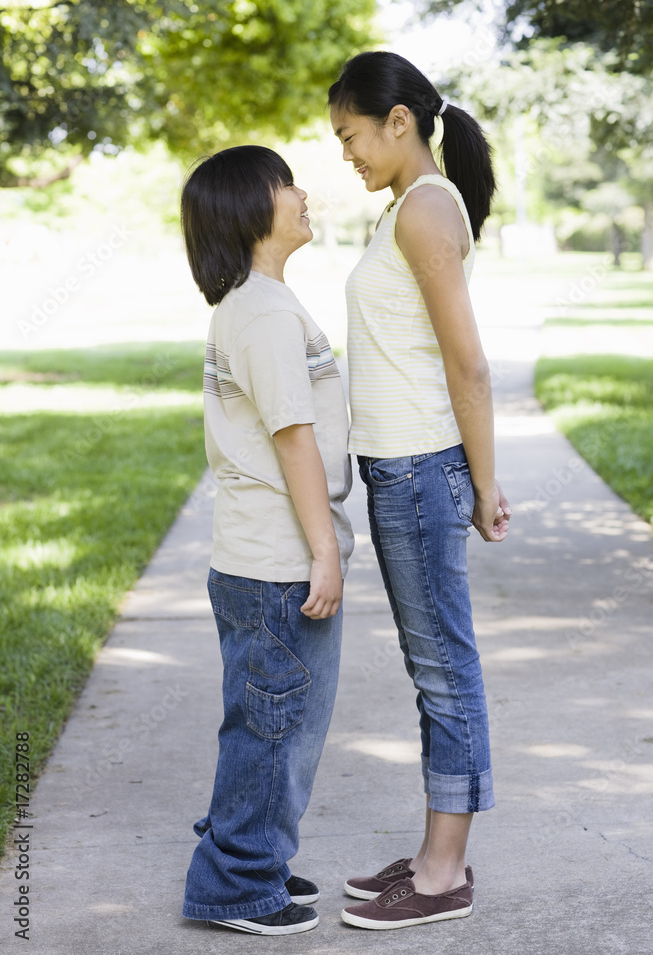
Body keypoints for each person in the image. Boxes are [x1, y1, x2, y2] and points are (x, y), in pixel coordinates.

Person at [328, 51, 511, 931]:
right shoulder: (407, 207)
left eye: (351, 134)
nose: (346, 153)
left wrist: (481, 482)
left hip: (420, 471)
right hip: (401, 470)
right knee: (430, 663)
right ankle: (437, 848)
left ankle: (443, 875)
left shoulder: (425, 210)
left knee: (444, 668)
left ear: (398, 120)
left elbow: (466, 361)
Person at [179, 146, 354, 936]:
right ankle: (236, 882)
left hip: (259, 561)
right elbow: (294, 439)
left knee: (268, 722)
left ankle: (253, 855)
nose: (302, 192)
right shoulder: (264, 312)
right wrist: (324, 550)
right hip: (279, 564)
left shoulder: (257, 303)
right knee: (275, 728)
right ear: (251, 208)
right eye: (286, 183)